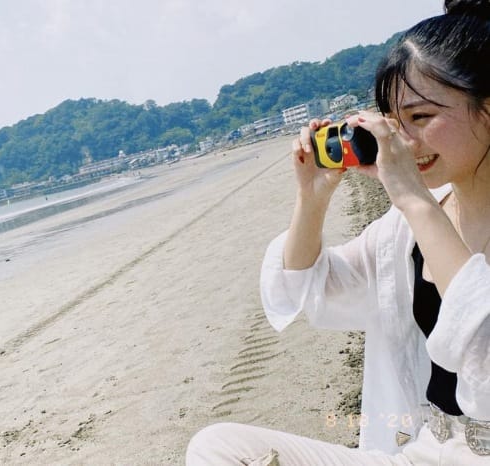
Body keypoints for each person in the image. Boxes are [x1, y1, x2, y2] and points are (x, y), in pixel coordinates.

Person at [186, 1, 490, 464]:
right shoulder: (405, 230)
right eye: (395, 122)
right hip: (425, 451)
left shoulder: (418, 212)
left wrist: (413, 199)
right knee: (218, 447)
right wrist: (312, 198)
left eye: (422, 117)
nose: (405, 142)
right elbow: (313, 286)